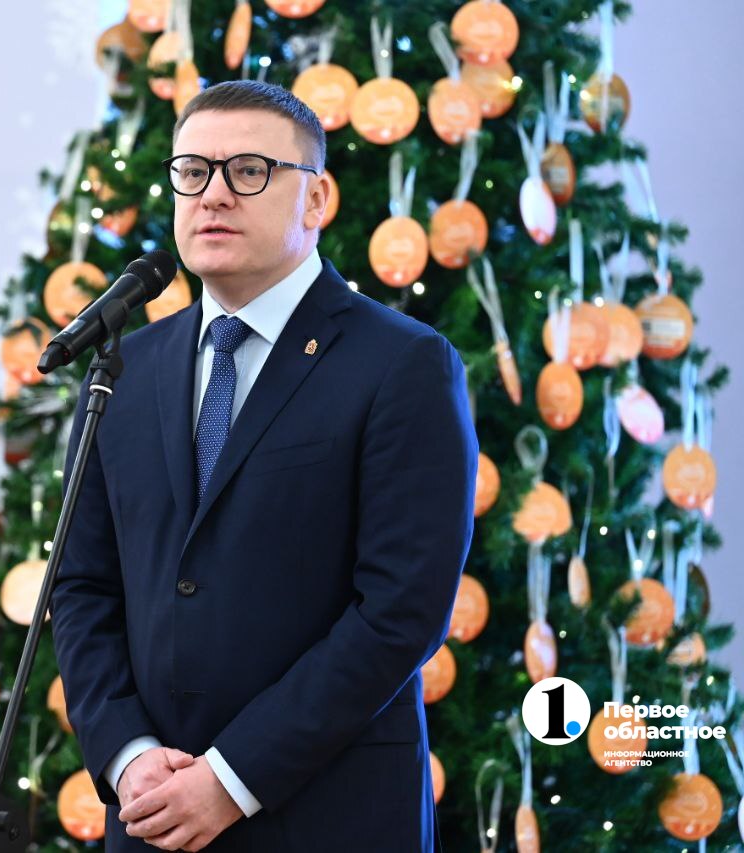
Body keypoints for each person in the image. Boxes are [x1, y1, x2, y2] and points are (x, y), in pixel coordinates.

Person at [49, 80, 477, 852]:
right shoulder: (125, 369)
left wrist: (230, 777)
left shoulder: (402, 364)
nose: (213, 194)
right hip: (152, 815)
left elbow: (399, 610)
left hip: (326, 813)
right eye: (192, 172)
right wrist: (128, 754)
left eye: (248, 171)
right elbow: (82, 585)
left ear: (316, 199)